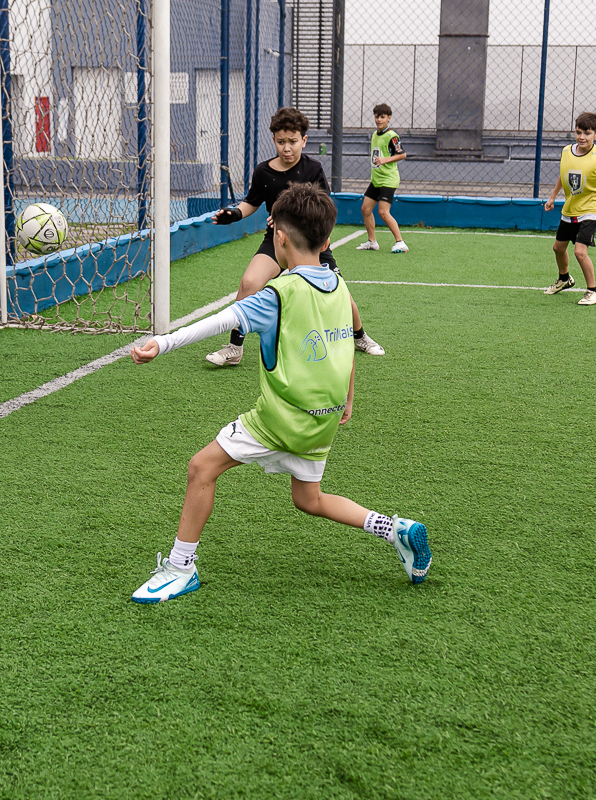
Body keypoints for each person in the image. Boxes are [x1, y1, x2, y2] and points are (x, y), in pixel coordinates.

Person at [128, 183, 432, 603]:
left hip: (280, 420)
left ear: (280, 237)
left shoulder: (279, 294)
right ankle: (395, 529)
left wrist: (162, 343)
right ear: (327, 240)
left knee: (201, 468)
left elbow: (220, 321)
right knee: (309, 498)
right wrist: (349, 396)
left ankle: (180, 568)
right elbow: (344, 344)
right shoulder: (339, 286)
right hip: (323, 419)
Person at [207, 107, 384, 365]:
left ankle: (359, 336)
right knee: (249, 283)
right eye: (281, 142)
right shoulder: (263, 171)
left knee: (340, 293)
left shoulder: (313, 169)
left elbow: (324, 207)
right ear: (273, 140)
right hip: (277, 242)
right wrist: (234, 214)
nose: (287, 148)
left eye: (292, 141)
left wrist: (291, 219)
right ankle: (235, 348)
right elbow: (252, 202)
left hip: (310, 243)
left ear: (304, 140)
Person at [542, 111, 596, 306]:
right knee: (558, 248)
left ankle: (593, 292)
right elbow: (563, 175)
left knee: (580, 252)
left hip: (590, 210)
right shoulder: (567, 151)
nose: (582, 137)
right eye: (578, 132)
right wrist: (552, 197)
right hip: (569, 210)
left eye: (587, 133)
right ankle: (564, 279)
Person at [355, 103, 408, 253]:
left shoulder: (392, 136)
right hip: (376, 180)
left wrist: (385, 160)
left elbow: (402, 154)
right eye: (377, 116)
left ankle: (400, 242)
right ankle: (372, 241)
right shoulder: (374, 135)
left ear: (388, 118)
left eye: (382, 117)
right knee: (365, 209)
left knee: (383, 212)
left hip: (388, 180)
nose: (379, 120)